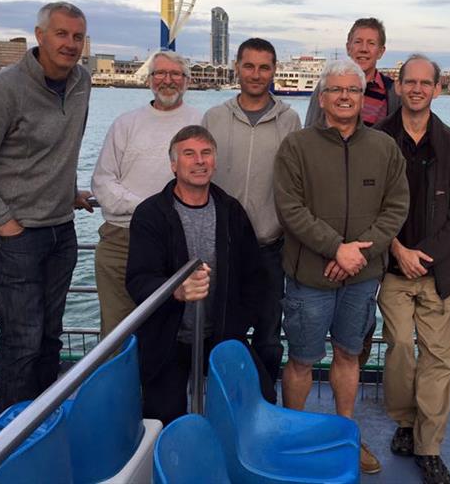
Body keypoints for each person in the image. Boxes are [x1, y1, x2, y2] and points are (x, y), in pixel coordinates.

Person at [0, 1, 93, 410]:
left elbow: (59, 148)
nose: (70, 44)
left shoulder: (82, 81)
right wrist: (3, 221)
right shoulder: (5, 89)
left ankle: (43, 418)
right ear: (40, 36)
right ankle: (11, 438)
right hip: (14, 236)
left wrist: (70, 190)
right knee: (22, 339)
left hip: (61, 228)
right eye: (61, 34)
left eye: (77, 36)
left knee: (49, 336)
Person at [274, 59, 409, 475]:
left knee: (349, 356)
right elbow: (290, 208)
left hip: (361, 278)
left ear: (363, 94)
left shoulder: (385, 148)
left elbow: (396, 207)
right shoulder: (297, 146)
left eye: (353, 89)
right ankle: (292, 436)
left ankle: (344, 435)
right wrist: (336, 249)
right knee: (301, 359)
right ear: (322, 97)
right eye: (336, 90)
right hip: (309, 279)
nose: (345, 96)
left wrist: (358, 255)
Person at [125, 125, 274, 425]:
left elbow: (254, 276)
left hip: (221, 334)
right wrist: (176, 290)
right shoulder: (151, 214)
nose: (199, 161)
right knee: (164, 418)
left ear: (215, 162)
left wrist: (238, 322)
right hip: (169, 337)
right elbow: (138, 279)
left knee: (261, 397)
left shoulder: (231, 211)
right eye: (189, 154)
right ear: (173, 165)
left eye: (206, 153)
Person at [376, 54, 450, 484]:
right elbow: (368, 207)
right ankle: (403, 419)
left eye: (424, 83)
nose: (416, 89)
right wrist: (398, 250)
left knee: (437, 358)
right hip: (392, 267)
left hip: (436, 271)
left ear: (438, 89)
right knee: (398, 346)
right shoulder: (377, 139)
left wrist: (425, 255)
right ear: (398, 87)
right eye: (408, 82)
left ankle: (428, 445)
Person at [202, 38, 301, 393]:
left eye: (264, 67)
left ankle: (263, 405)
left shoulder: (290, 121)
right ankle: (226, 404)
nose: (256, 75)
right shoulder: (214, 117)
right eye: (249, 66)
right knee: (222, 334)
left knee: (270, 338)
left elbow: (296, 182)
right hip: (221, 249)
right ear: (236, 68)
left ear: (274, 70)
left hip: (270, 248)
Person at [91, 50, 201, 339]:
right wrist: (148, 211)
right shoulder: (125, 123)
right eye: (160, 74)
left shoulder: (200, 123)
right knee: (117, 334)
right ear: (149, 80)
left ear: (187, 81)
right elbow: (102, 181)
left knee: (169, 333)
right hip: (121, 241)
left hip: (179, 241)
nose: (168, 80)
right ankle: (119, 384)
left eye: (175, 74)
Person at [304, 17, 400, 127]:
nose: (364, 49)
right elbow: (310, 131)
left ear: (381, 52)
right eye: (358, 42)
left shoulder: (392, 93)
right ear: (348, 48)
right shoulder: (327, 86)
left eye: (371, 43)